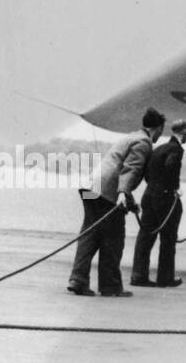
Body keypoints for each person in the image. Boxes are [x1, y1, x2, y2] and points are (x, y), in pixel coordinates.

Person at [68, 107, 165, 297]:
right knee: (114, 238)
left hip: (90, 189)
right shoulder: (144, 142)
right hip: (106, 193)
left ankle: (77, 279)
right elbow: (131, 169)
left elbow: (119, 170)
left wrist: (129, 201)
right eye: (162, 130)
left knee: (90, 234)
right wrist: (122, 193)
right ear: (158, 128)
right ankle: (110, 286)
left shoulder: (130, 137)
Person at [131, 118, 186, 288]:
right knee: (168, 239)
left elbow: (148, 173)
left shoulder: (158, 149)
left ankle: (138, 276)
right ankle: (165, 278)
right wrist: (174, 187)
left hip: (149, 195)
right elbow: (171, 166)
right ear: (185, 131)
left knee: (145, 238)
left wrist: (155, 187)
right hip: (165, 198)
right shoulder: (176, 149)